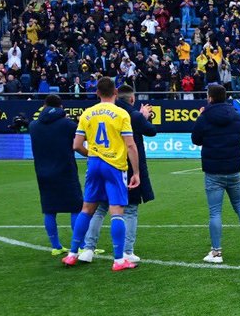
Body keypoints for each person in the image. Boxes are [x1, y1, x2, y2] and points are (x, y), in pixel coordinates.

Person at [63, 78, 141, 271]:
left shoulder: (87, 113)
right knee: (117, 212)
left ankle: (73, 253)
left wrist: (92, 154)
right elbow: (130, 145)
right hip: (114, 165)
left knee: (87, 209)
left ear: (97, 93)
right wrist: (136, 172)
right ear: (115, 92)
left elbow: (76, 145)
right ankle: (118, 260)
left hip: (95, 163)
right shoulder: (121, 113)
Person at [82, 84, 156, 263]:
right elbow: (150, 132)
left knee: (99, 209)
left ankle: (87, 249)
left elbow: (79, 141)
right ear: (132, 99)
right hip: (126, 167)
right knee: (129, 210)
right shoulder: (132, 115)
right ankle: (126, 251)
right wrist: (145, 117)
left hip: (101, 163)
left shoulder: (99, 112)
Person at [191, 84, 240, 262]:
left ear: (210, 97)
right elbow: (238, 134)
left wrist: (202, 116)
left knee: (215, 212)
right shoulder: (236, 115)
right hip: (233, 169)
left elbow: (195, 139)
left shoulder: (205, 117)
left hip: (214, 171)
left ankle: (216, 252)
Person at [27, 94, 83, 256]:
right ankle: (80, 245)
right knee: (76, 208)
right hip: (65, 170)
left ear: (44, 106)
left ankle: (56, 246)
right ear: (61, 107)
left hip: (43, 172)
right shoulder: (67, 124)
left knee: (49, 210)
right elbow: (80, 138)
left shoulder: (34, 126)